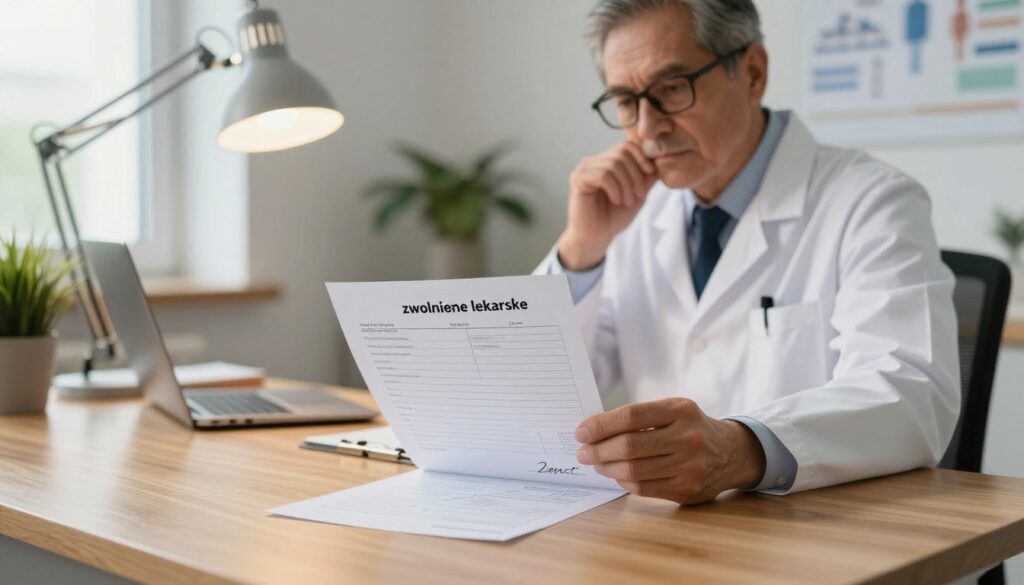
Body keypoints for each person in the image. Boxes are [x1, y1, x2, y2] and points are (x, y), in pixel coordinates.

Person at [534, 0, 959, 504]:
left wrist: (739, 449)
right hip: (667, 539)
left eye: (672, 88)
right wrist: (582, 248)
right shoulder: (631, 216)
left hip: (817, 536)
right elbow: (540, 393)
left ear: (753, 72)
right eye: (626, 100)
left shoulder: (872, 201)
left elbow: (909, 393)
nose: (648, 129)